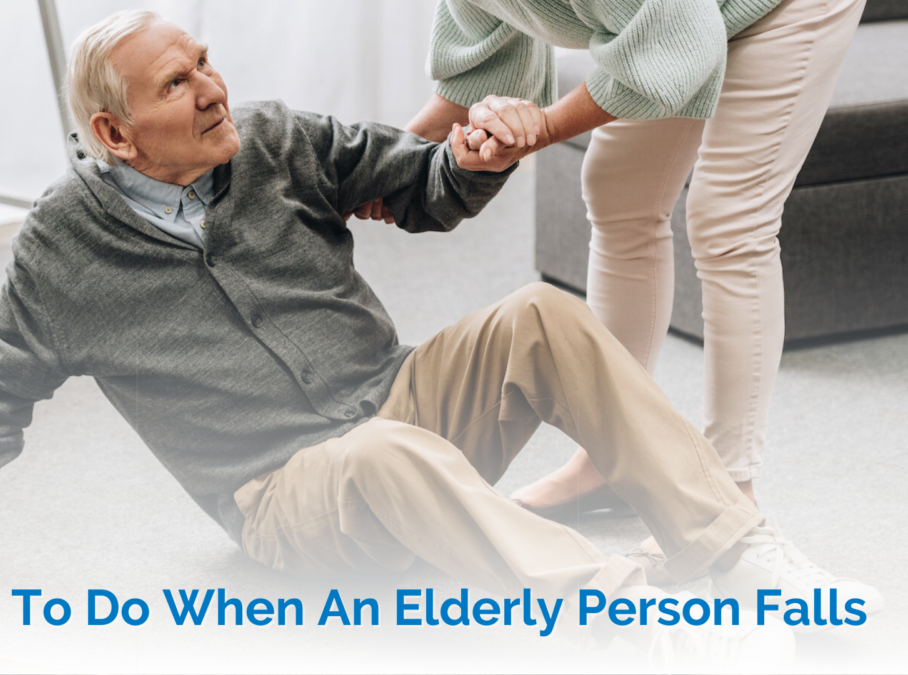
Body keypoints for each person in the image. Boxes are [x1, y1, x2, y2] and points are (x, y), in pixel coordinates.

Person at [0, 10, 878, 664]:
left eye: (206, 62)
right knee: (378, 450)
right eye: (177, 84)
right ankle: (595, 599)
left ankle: (731, 547)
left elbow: (420, 190)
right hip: (286, 499)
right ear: (113, 134)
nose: (213, 89)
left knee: (543, 314)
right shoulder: (64, 249)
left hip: (402, 411)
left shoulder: (274, 139)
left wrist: (477, 151)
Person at [355, 0, 868, 579]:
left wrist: (544, 128)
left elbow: (677, 44)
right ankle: (609, 464)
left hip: (782, 9)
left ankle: (729, 491)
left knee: (729, 220)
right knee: (620, 194)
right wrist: (380, 166)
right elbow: (481, 72)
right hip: (680, 19)